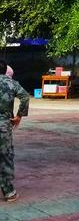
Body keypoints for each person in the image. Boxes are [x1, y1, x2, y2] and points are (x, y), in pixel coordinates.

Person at [0, 59, 30, 202]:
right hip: (3, 127)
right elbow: (25, 97)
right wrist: (18, 116)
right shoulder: (11, 83)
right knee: (5, 157)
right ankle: (9, 192)